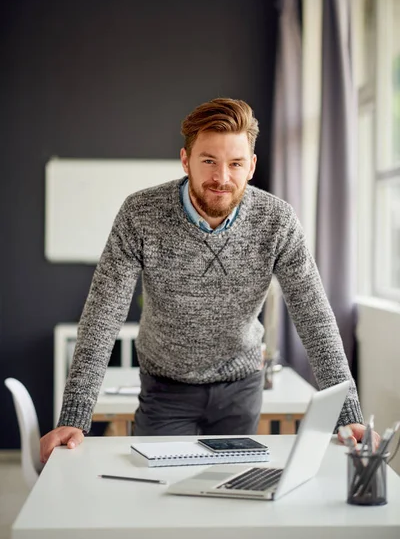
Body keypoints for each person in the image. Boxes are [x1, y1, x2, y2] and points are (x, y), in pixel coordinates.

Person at [40, 97, 374, 463]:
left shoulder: (277, 222)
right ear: (186, 160)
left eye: (235, 163)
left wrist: (349, 415)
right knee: (156, 495)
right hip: (164, 386)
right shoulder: (140, 214)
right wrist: (74, 417)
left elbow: (315, 318)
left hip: (241, 385)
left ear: (251, 166)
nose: (222, 178)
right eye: (209, 161)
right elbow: (103, 316)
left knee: (231, 494)